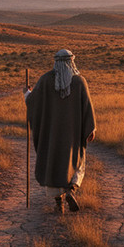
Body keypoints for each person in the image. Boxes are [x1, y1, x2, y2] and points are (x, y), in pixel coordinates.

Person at [25, 49, 96, 213]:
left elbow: (32, 103)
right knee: (77, 162)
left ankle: (59, 204)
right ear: (72, 61)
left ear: (55, 62)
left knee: (53, 164)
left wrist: (26, 93)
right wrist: (90, 130)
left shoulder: (45, 81)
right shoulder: (79, 82)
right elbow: (87, 108)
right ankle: (71, 191)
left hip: (51, 136)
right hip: (73, 136)